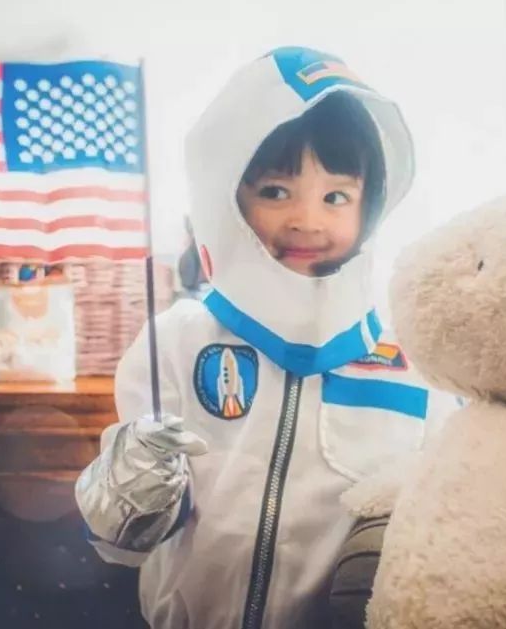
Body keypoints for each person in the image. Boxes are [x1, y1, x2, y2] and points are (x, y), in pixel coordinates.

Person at [75, 46, 460, 629]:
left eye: (336, 197)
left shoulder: (415, 364)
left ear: (371, 206)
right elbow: (121, 540)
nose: (307, 220)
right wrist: (134, 486)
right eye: (277, 192)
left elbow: (449, 513)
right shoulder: (175, 343)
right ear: (228, 198)